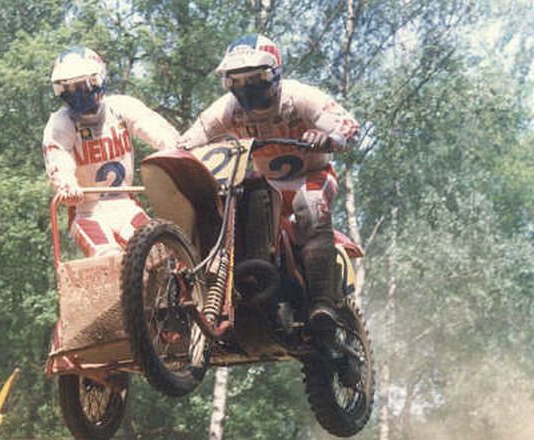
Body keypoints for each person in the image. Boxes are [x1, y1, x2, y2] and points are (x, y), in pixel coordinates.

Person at [177, 34, 360, 333]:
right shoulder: (228, 109)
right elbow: (189, 138)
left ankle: (322, 304)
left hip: (313, 176)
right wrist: (177, 154)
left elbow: (348, 124)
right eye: (236, 81)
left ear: (274, 74)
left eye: (255, 78)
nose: (245, 88)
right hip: (268, 185)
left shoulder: (298, 97)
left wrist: (328, 137)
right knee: (227, 207)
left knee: (311, 206)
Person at [42, 46, 179, 257]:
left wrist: (178, 152)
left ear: (96, 80)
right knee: (108, 257)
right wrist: (66, 184)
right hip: (87, 212)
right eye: (68, 88)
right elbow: (58, 157)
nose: (76, 94)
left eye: (81, 85)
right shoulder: (61, 122)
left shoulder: (121, 107)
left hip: (127, 206)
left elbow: (156, 130)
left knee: (161, 254)